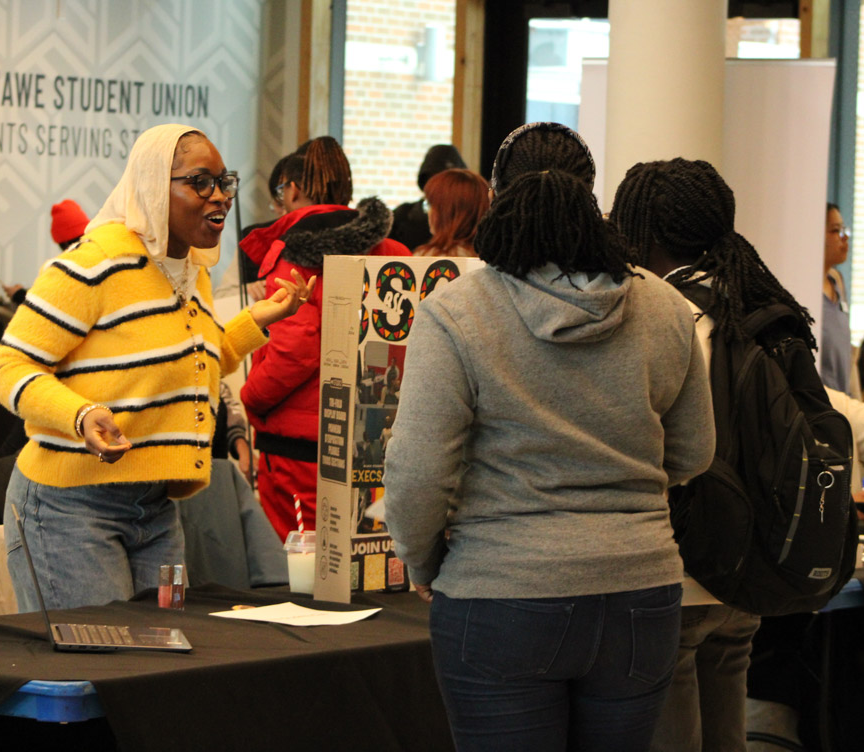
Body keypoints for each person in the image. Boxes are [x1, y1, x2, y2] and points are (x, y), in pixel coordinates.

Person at [384, 161, 715, 750]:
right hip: (641, 589)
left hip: (501, 590)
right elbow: (695, 451)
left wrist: (421, 561)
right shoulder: (666, 306)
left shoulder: (458, 311)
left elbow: (417, 471)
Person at [0, 124, 312, 612]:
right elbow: (7, 365)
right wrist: (79, 415)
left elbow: (193, 367)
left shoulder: (192, 270)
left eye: (225, 182)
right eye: (200, 182)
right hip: (69, 505)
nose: (219, 196)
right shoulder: (95, 263)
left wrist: (257, 320)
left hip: (156, 505)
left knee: (161, 651)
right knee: (102, 651)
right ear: (154, 185)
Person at [609, 157, 830, 752]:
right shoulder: (756, 305)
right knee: (728, 729)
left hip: (681, 568)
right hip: (748, 567)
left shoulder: (662, 315)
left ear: (644, 233)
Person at [239, 136, 408, 539]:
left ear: (293, 190)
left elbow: (294, 351)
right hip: (376, 443)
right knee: (364, 558)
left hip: (298, 452)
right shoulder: (394, 251)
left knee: (302, 562)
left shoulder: (295, 252)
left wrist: (251, 397)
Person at [2, 199, 90, 305]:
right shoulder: (100, 258)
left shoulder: (70, 269)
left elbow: (52, 304)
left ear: (64, 243)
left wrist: (18, 294)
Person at [388, 144, 466, 251]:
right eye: (435, 181)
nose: (442, 189)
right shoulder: (402, 216)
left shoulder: (468, 221)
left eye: (450, 184)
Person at [412, 168, 489, 258]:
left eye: (430, 204)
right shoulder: (493, 257)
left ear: (446, 211)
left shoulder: (428, 257)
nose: (428, 212)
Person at [821, 203, 852, 393]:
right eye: (835, 230)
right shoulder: (805, 287)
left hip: (842, 399)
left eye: (843, 230)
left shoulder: (837, 280)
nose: (844, 237)